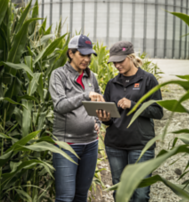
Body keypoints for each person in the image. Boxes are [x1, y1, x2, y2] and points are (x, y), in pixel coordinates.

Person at [97, 41, 163, 202]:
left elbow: (158, 111)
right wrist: (105, 119)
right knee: (120, 192)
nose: (117, 65)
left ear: (131, 57)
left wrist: (132, 105)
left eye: (120, 61)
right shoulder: (112, 84)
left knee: (140, 194)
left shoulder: (148, 80)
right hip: (115, 145)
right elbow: (111, 118)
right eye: (114, 62)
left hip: (141, 146)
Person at [49, 34, 104, 202]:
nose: (87, 59)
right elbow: (60, 105)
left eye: (89, 55)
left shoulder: (91, 77)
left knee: (81, 196)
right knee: (66, 197)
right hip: (67, 145)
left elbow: (99, 103)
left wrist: (98, 121)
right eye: (82, 54)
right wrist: (85, 95)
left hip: (90, 144)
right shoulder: (58, 75)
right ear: (71, 53)